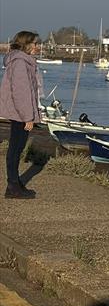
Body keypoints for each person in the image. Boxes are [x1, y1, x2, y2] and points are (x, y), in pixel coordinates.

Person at [0, 31, 40, 199]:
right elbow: (21, 92)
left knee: (16, 149)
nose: (38, 47)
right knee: (16, 150)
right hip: (19, 113)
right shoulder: (20, 63)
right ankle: (13, 186)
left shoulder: (21, 61)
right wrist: (28, 117)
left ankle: (15, 183)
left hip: (18, 112)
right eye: (35, 44)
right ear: (26, 44)